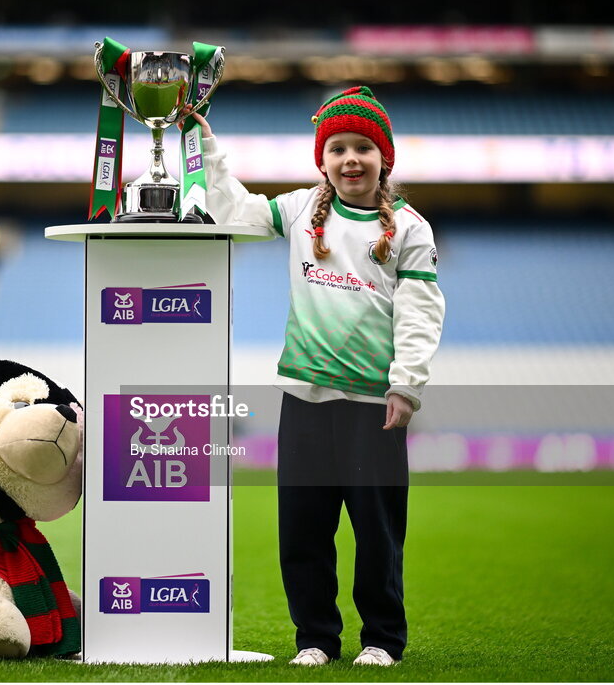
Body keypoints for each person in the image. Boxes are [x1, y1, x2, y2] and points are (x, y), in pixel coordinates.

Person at [181, 86, 445, 667]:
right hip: (303, 399)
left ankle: (381, 640)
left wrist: (406, 384)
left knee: (377, 532)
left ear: (385, 159)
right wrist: (203, 145)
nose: (351, 159)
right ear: (322, 159)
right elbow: (234, 211)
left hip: (373, 404)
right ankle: (316, 640)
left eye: (364, 148)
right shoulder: (301, 210)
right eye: (339, 149)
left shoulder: (409, 228)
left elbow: (421, 311)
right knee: (303, 531)